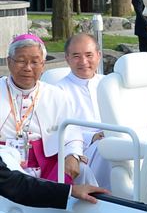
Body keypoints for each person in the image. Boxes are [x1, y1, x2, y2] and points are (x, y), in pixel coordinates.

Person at [0, 34, 97, 185]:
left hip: (46, 160)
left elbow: (71, 132)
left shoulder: (56, 95)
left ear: (43, 65)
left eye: (34, 62)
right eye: (21, 61)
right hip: (5, 163)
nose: (27, 68)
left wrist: (73, 155)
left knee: (82, 170)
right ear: (9, 62)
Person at [56, 33, 111, 189]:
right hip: (83, 150)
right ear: (67, 58)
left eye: (89, 55)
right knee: (106, 147)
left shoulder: (108, 84)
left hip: (114, 139)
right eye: (76, 56)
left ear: (99, 55)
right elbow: (61, 130)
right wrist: (93, 137)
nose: (83, 62)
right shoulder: (59, 90)